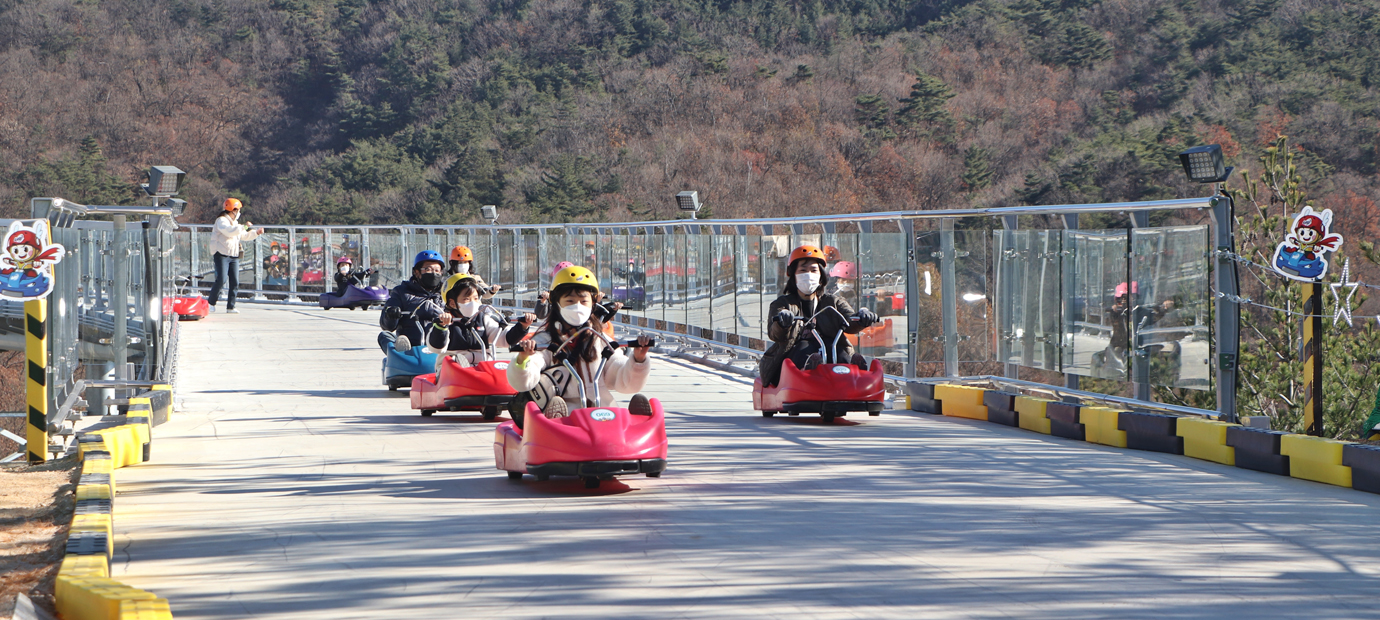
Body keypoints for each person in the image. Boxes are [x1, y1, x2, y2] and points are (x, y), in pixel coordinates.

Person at [508, 265, 653, 427]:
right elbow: (524, 381)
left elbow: (622, 379)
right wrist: (523, 359)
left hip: (600, 412)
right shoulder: (546, 340)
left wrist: (638, 361)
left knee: (617, 418)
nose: (577, 306)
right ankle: (555, 421)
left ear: (592, 303)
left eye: (583, 301)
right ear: (557, 302)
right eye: (570, 301)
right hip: (564, 416)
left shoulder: (600, 340)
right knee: (559, 418)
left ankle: (639, 423)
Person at [758, 245, 877, 387]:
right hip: (795, 354)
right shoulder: (782, 304)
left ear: (820, 275)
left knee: (837, 350)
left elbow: (849, 320)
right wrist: (783, 322)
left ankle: (854, 369)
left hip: (829, 350)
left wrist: (862, 317)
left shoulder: (833, 301)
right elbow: (775, 334)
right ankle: (809, 371)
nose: (808, 275)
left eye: (813, 270)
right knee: (805, 347)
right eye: (803, 270)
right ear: (793, 275)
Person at [425, 274, 535, 369]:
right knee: (455, 365)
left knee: (502, 370)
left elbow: (505, 339)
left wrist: (522, 327)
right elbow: (436, 347)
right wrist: (441, 326)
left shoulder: (482, 318)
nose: (473, 303)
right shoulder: (446, 320)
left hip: (482, 365)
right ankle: (461, 366)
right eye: (467, 299)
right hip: (452, 367)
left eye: (476, 298)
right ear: (452, 303)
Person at [378, 250, 447, 353]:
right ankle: (400, 353)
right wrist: (390, 314)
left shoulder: (446, 293)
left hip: (438, 345)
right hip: (410, 344)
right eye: (428, 269)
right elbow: (387, 326)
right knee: (384, 336)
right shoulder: (402, 291)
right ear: (416, 272)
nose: (433, 273)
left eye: (437, 270)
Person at [208, 198, 263, 314]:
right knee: (221, 279)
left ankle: (231, 306)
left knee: (235, 281)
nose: (239, 212)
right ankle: (211, 303)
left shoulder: (236, 224)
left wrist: (255, 233)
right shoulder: (221, 221)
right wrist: (245, 227)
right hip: (221, 254)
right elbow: (229, 231)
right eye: (237, 210)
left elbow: (243, 235)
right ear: (232, 210)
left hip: (233, 255)